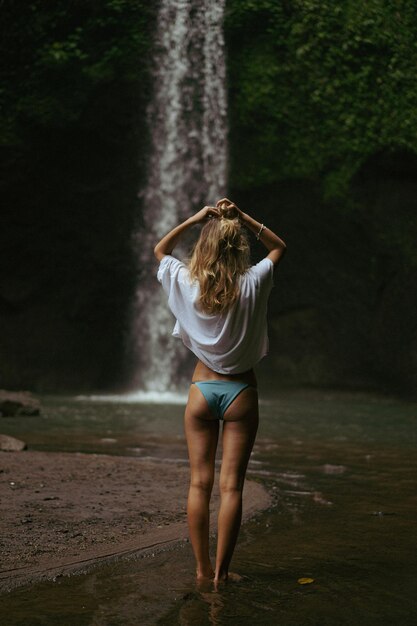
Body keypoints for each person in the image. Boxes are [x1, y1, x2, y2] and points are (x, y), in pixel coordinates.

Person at [154, 198, 286, 583]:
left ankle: (201, 570)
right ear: (238, 247)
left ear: (205, 247)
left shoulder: (186, 281)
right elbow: (279, 247)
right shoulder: (254, 281)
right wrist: (242, 216)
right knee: (231, 488)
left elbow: (160, 250)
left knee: (199, 483)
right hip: (241, 392)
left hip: (201, 390)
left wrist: (197, 219)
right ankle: (222, 575)